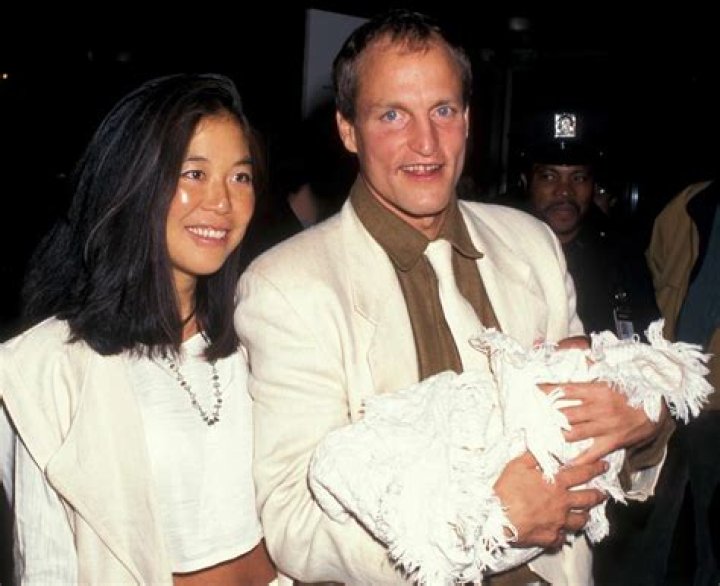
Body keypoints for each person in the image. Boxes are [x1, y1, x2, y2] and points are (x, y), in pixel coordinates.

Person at [235, 10, 668, 585]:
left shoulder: (531, 244)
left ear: (467, 119)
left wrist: (642, 424)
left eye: (443, 110)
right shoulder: (286, 286)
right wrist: (480, 528)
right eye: (392, 115)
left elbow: (592, 434)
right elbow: (296, 524)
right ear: (348, 129)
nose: (426, 142)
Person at [0, 73, 277, 584]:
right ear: (134, 181)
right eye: (194, 173)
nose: (222, 201)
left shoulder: (263, 331)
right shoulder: (46, 368)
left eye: (240, 177)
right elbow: (45, 566)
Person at [520, 121, 659, 339]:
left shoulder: (621, 258)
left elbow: (647, 340)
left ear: (593, 186)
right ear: (526, 182)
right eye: (549, 177)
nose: (564, 191)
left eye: (578, 178)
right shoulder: (501, 249)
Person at [645, 179, 720, 586]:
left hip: (713, 404)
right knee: (655, 514)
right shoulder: (690, 204)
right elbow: (655, 269)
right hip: (672, 389)